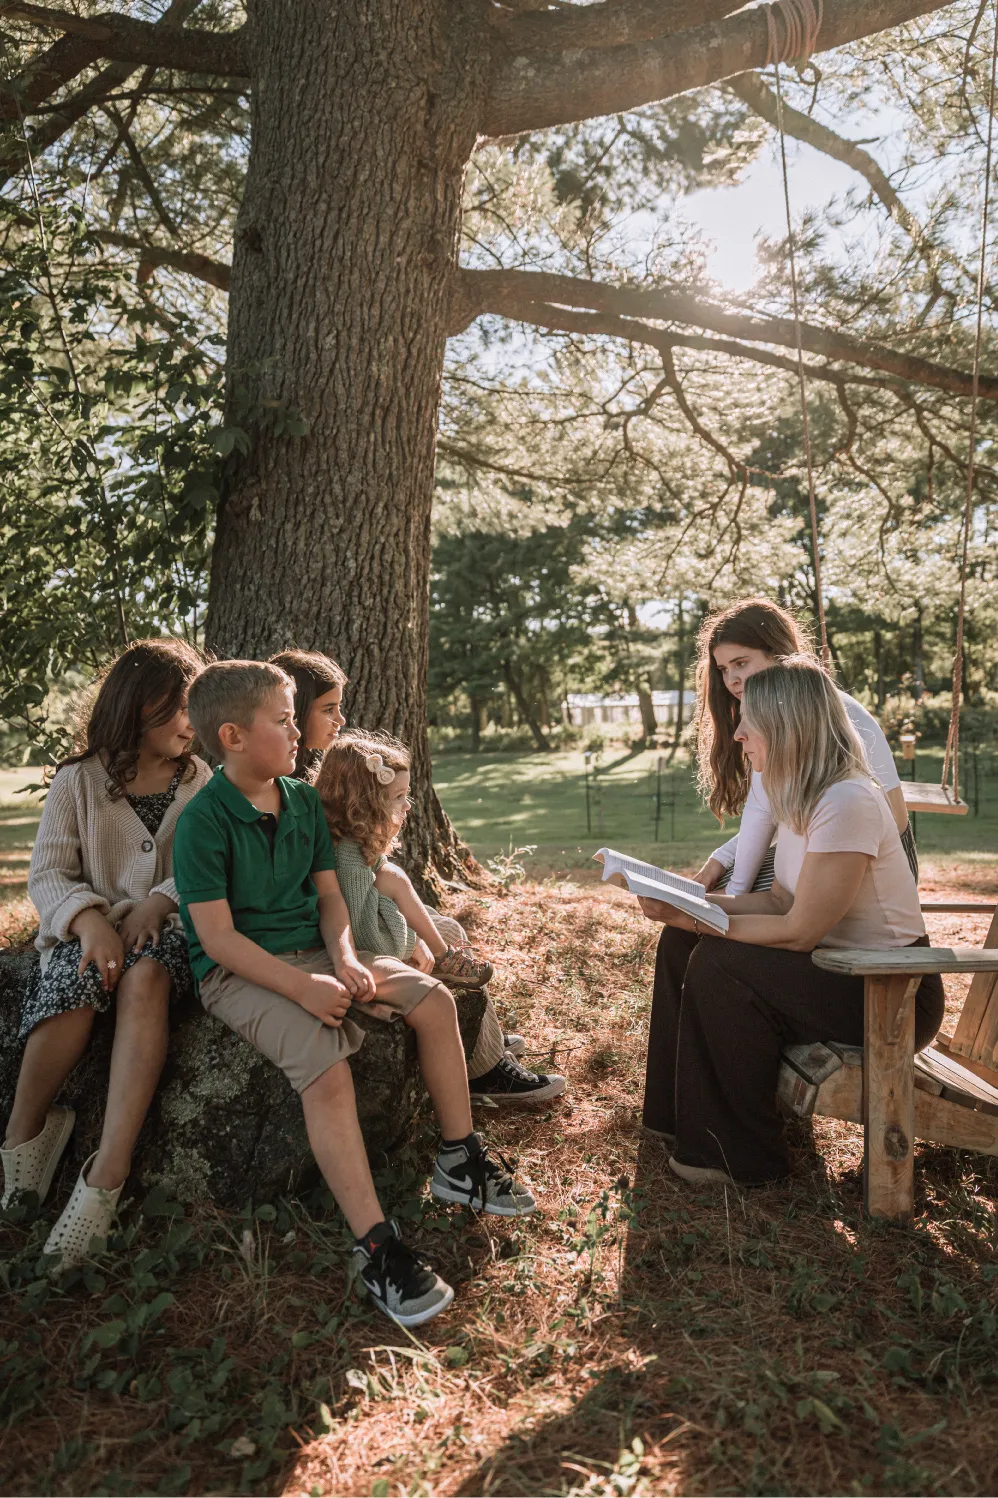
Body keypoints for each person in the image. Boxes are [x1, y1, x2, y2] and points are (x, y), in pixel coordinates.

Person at [172, 660, 535, 1327]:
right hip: (242, 972)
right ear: (232, 736)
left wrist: (342, 958)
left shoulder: (302, 801)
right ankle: (375, 1244)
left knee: (432, 999)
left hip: (319, 950)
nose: (298, 733)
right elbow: (218, 940)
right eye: (284, 722)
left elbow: (331, 898)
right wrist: (303, 987)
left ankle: (459, 1158)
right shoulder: (202, 822)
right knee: (328, 1067)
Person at [640, 656, 944, 1186]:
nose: (737, 734)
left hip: (891, 990)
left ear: (786, 725)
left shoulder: (848, 800)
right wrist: (689, 903)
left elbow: (800, 930)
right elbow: (779, 899)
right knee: (679, 944)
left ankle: (739, 1157)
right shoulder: (802, 795)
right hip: (839, 971)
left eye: (749, 722)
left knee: (720, 962)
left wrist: (702, 922)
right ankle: (677, 1116)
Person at [271, 647, 565, 1105]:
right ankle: (485, 1070)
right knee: (442, 933)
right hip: (332, 935)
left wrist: (394, 893)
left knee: (445, 928)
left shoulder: (319, 778)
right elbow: (350, 898)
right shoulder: (288, 788)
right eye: (328, 709)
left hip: (354, 914)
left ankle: (478, 1042)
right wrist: (407, 928)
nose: (340, 720)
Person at [1, 639, 211, 1267]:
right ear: (137, 706)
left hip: (170, 933)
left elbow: (208, 866)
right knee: (74, 983)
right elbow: (48, 873)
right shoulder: (78, 780)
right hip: (87, 930)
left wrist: (162, 901)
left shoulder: (200, 781)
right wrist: (89, 920)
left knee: (146, 980)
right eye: (180, 708)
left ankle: (104, 1179)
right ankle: (26, 1135)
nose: (192, 723)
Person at [693, 598, 916, 895]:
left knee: (725, 896)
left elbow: (764, 813)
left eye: (741, 664)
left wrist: (733, 892)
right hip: (827, 843)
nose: (731, 679)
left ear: (778, 654)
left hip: (878, 862)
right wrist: (720, 861)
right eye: (723, 669)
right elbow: (767, 810)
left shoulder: (826, 710)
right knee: (721, 889)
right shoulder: (774, 713)